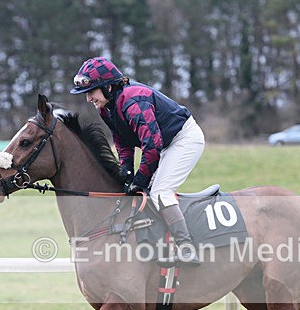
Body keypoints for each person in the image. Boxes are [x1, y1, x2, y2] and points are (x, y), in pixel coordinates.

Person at [70, 56, 204, 266]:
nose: (88, 99)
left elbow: (151, 147)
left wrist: (140, 179)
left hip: (184, 139)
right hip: (164, 143)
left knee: (160, 191)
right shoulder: (106, 108)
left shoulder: (134, 101)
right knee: (143, 192)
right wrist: (127, 173)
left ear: (108, 87)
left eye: (91, 91)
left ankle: (187, 248)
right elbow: (123, 143)